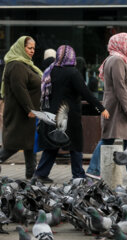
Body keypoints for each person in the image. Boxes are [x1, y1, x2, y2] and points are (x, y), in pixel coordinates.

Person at [33, 45, 109, 183]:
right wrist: (101, 108)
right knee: (75, 145)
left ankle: (40, 174)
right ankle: (78, 175)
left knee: (53, 144)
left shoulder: (50, 70)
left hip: (51, 114)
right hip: (68, 115)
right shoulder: (72, 72)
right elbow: (85, 92)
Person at [86, 33, 127, 181]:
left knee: (119, 139)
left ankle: (96, 169)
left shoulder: (113, 59)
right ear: (120, 44)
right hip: (119, 108)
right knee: (125, 140)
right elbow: (120, 87)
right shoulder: (117, 60)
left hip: (115, 106)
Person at [0, 36, 43, 179]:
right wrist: (29, 109)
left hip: (27, 114)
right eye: (29, 48)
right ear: (20, 47)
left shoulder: (26, 64)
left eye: (33, 48)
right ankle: (32, 177)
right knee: (13, 146)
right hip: (21, 113)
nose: (32, 51)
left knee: (29, 145)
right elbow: (20, 89)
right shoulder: (17, 65)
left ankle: (32, 178)